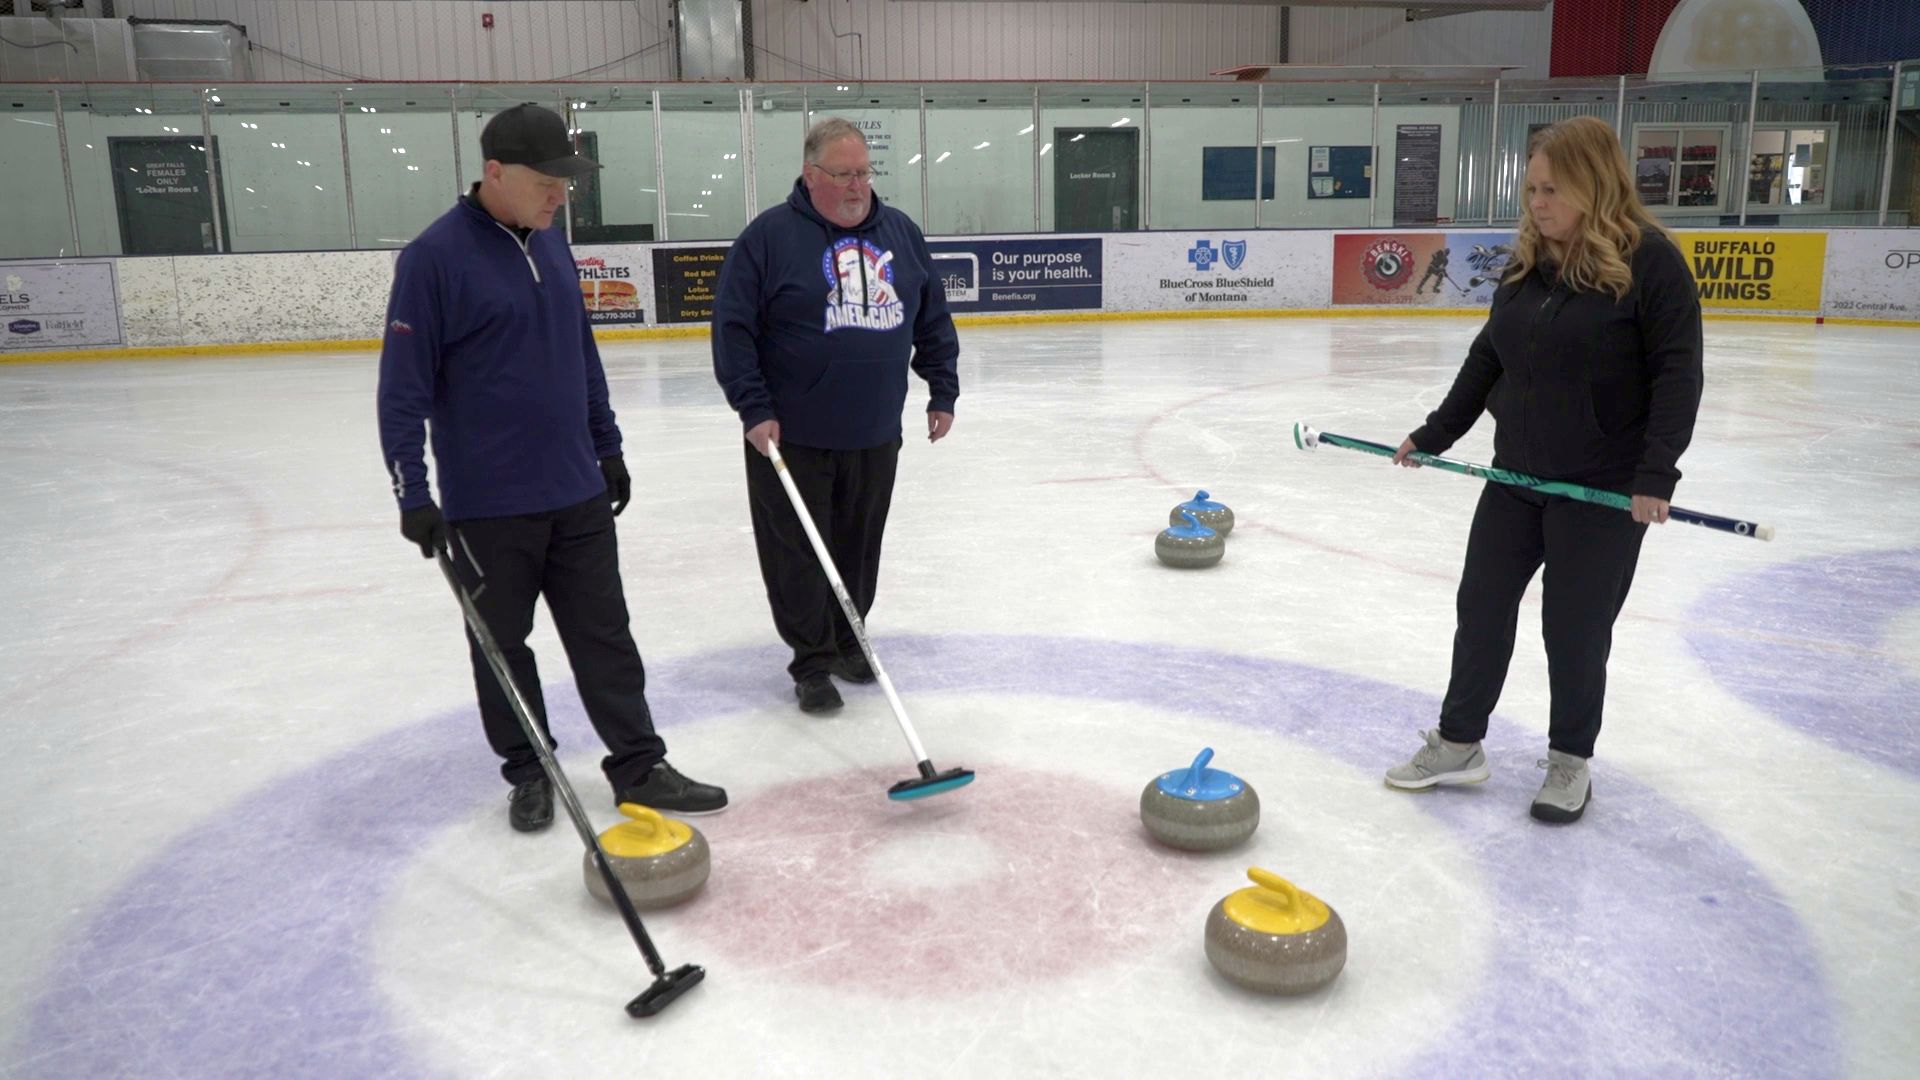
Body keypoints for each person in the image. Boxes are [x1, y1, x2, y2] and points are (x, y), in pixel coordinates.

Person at [377, 103, 726, 832]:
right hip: (488, 503)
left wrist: (608, 445)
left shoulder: (553, 243)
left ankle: (638, 764)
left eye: (567, 182)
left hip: (577, 490)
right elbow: (401, 391)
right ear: (495, 173)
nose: (560, 195)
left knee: (606, 635)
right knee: (503, 646)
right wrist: (415, 492)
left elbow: (582, 353)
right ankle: (529, 769)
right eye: (547, 181)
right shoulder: (433, 259)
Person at [1383, 115, 1704, 824]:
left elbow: (1678, 372)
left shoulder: (1650, 263)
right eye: (1531, 189)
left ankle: (1569, 761)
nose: (1538, 203)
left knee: (1575, 628)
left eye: (1552, 189)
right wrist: (1437, 433)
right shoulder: (1531, 262)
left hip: (1601, 488)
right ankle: (1461, 743)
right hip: (1517, 479)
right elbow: (1490, 355)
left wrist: (1656, 474)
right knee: (1481, 609)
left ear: (1594, 185)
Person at [712, 117, 961, 714]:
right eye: (844, 174)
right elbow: (733, 329)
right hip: (790, 433)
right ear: (811, 174)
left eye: (864, 173)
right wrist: (753, 407)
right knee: (797, 551)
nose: (857, 186)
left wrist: (941, 388)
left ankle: (850, 637)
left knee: (858, 542)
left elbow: (931, 315)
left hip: (874, 427)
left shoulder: (900, 231)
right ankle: (812, 660)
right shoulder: (768, 237)